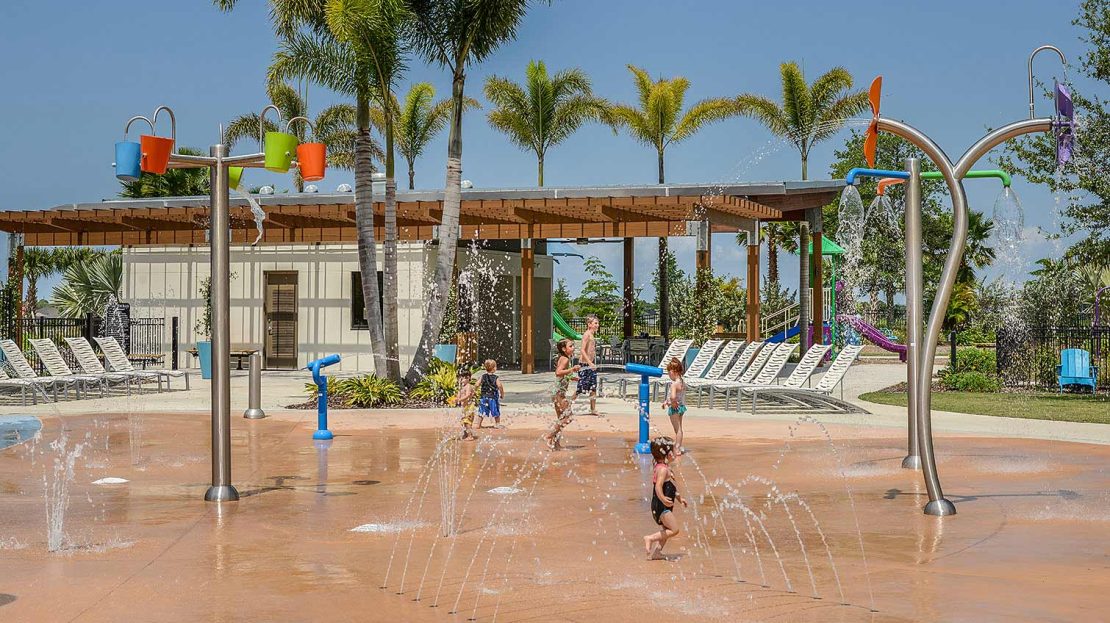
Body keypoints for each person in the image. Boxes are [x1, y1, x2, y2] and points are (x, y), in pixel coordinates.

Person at [643, 436, 686, 560]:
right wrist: (662, 498)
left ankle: (657, 552)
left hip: (661, 505)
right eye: (673, 450)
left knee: (666, 530)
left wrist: (680, 498)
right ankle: (650, 538)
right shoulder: (662, 470)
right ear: (667, 454)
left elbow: (669, 487)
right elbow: (658, 486)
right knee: (674, 530)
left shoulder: (663, 467)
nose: (675, 452)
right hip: (661, 506)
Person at [544, 338, 579, 450]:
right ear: (564, 349)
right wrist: (572, 369)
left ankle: (556, 444)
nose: (573, 347)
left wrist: (572, 378)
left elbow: (563, 374)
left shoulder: (563, 358)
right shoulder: (565, 359)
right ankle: (550, 435)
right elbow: (558, 372)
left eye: (573, 345)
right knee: (568, 417)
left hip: (557, 392)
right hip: (559, 393)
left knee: (561, 419)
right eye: (570, 346)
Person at [571, 315, 599, 415]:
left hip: (590, 365)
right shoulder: (586, 335)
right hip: (584, 365)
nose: (597, 325)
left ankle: (593, 409)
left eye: (597, 323)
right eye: (595, 323)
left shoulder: (592, 335)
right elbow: (582, 350)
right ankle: (568, 406)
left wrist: (592, 363)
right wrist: (590, 363)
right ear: (589, 324)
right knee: (580, 388)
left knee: (593, 387)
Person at [661, 357, 687, 454]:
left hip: (675, 408)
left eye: (669, 372)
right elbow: (677, 395)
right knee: (679, 428)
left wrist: (672, 403)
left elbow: (672, 397)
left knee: (677, 429)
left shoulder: (674, 384)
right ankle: (678, 446)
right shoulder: (682, 382)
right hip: (681, 407)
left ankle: (677, 448)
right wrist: (666, 402)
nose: (668, 375)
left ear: (674, 372)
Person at [476, 359, 505, 429]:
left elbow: (477, 384)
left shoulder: (483, 376)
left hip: (484, 397)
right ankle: (497, 424)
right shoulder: (495, 378)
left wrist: (474, 391)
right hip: (493, 398)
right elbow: (500, 386)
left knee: (482, 410)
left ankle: (478, 424)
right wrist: (502, 394)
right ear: (494, 368)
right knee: (495, 410)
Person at [456, 368, 477, 441]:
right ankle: (465, 434)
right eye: (460, 378)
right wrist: (456, 399)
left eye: (462, 378)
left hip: (469, 407)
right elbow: (459, 395)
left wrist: (460, 399)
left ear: (468, 378)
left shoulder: (468, 386)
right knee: (463, 421)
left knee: (467, 421)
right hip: (464, 407)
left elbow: (468, 395)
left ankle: (470, 436)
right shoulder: (462, 387)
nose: (461, 380)